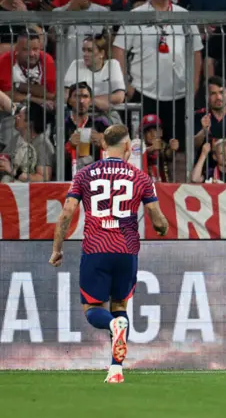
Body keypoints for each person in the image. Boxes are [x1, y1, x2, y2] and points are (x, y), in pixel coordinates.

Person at [48, 124, 169, 384]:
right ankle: (116, 369)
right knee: (120, 307)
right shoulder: (140, 178)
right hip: (126, 251)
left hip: (96, 248)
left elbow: (66, 213)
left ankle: (112, 328)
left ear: (102, 146)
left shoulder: (84, 174)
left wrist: (57, 249)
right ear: (127, 146)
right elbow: (158, 222)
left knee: (93, 309)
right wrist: (162, 228)